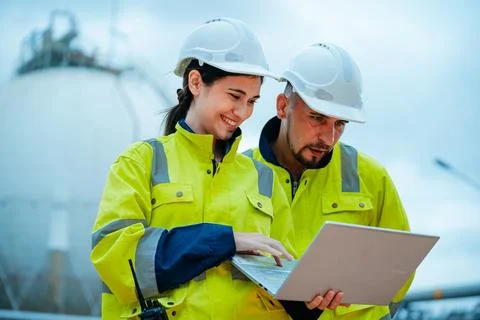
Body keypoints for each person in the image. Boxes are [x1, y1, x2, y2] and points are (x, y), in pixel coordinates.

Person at [90, 19, 343, 320]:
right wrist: (225, 241)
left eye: (251, 101)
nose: (243, 112)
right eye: (235, 96)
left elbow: (280, 276)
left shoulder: (263, 180)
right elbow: (116, 257)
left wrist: (307, 304)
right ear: (196, 83)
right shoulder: (140, 163)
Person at [244, 43, 413, 319]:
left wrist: (347, 300)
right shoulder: (238, 174)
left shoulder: (371, 177)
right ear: (283, 106)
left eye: (340, 124)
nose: (329, 138)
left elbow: (399, 276)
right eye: (317, 118)